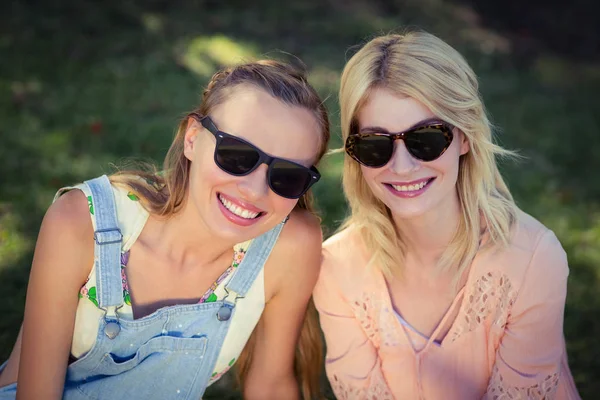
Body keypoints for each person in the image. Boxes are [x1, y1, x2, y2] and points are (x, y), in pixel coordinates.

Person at [0, 60, 329, 400]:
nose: (255, 191)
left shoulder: (289, 246)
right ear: (192, 139)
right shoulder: (82, 222)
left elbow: (271, 385)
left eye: (288, 176)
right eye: (236, 154)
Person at [313, 31, 581, 399]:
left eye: (426, 138)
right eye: (375, 145)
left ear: (465, 137)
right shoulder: (336, 267)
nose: (402, 167)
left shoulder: (534, 259)